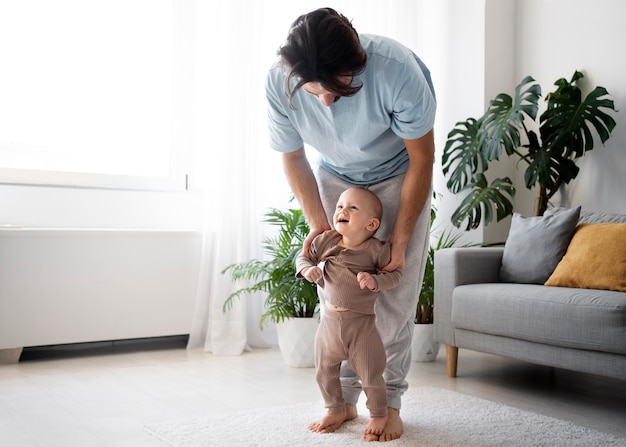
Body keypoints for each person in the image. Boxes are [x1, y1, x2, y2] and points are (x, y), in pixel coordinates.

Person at [265, 7, 436, 442]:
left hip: (400, 172)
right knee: (335, 296)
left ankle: (388, 405)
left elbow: (421, 158)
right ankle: (339, 402)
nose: (324, 101)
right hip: (334, 176)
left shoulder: (397, 71)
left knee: (393, 300)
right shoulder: (280, 81)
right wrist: (320, 226)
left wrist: (399, 240)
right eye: (313, 90)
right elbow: (292, 156)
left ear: (355, 63)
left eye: (336, 90)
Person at [296, 187, 403, 440]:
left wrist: (376, 281)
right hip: (329, 324)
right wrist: (307, 270)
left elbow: (396, 275)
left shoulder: (377, 250)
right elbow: (303, 258)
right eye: (340, 206)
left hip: (361, 326)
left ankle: (378, 413)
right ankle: (335, 408)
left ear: (371, 224)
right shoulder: (326, 241)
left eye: (352, 208)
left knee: (371, 374)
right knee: (324, 371)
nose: (342, 210)